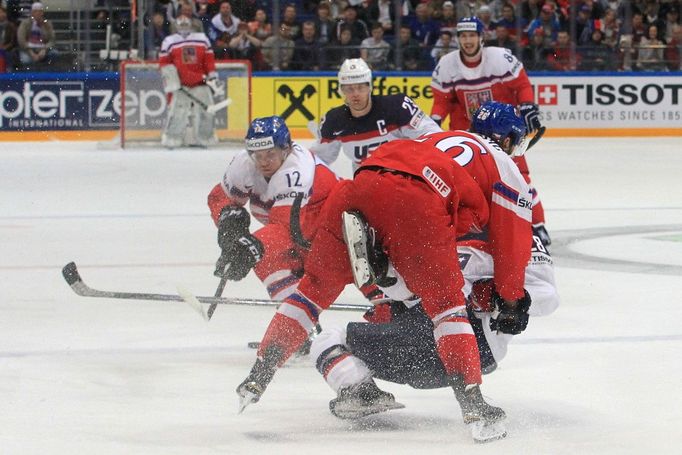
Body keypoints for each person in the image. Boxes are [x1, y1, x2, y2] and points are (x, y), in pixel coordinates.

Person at [235, 133, 510, 443]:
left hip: (352, 192)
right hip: (415, 198)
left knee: (310, 293)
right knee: (447, 308)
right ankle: (473, 403)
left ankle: (258, 377)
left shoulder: (421, 144)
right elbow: (462, 226)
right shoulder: (488, 178)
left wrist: (262, 369)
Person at [430, 16, 551, 246]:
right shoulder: (447, 64)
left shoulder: (499, 58)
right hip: (468, 134)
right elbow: (442, 100)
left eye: (472, 35)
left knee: (518, 177)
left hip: (503, 134)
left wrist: (528, 105)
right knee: (468, 184)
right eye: (463, 36)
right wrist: (435, 119)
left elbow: (522, 85)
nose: (468, 40)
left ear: (481, 37)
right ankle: (472, 229)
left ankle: (537, 225)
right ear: (458, 39)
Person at [206, 116, 340, 303]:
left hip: (333, 231)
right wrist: (230, 225)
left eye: (270, 154)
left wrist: (248, 249)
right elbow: (220, 198)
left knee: (373, 281)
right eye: (258, 155)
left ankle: (389, 313)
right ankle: (293, 318)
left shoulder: (296, 171)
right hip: (302, 230)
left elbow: (287, 230)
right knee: (268, 260)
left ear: (286, 149)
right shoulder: (245, 162)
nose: (263, 162)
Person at [310, 58, 442, 171]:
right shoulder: (334, 120)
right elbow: (320, 158)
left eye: (360, 87)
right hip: (366, 183)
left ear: (369, 87)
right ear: (341, 90)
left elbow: (433, 136)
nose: (355, 93)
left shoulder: (397, 106)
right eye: (349, 88)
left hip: (405, 178)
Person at [159, 16, 223, 148]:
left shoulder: (202, 39)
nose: (183, 28)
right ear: (175, 26)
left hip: (201, 82)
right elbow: (164, 64)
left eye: (185, 25)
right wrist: (172, 81)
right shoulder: (169, 41)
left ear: (191, 25)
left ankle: (206, 139)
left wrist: (212, 76)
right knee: (177, 112)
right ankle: (172, 139)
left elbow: (208, 60)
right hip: (181, 85)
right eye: (180, 25)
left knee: (207, 113)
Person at [17, 2, 57, 68]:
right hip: (28, 49)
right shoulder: (25, 23)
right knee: (26, 60)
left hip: (43, 48)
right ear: (32, 13)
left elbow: (52, 40)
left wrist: (44, 49)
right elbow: (21, 40)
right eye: (35, 11)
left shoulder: (47, 23)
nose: (38, 13)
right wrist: (31, 53)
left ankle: (47, 74)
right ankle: (29, 77)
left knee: (54, 54)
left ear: (42, 13)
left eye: (40, 11)